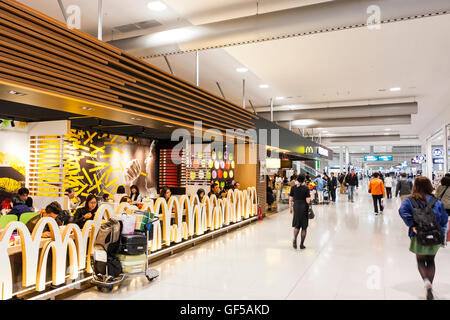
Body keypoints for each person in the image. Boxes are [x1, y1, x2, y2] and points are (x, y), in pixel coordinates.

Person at [398, 176, 448, 300]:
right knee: (431, 261)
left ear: (415, 186)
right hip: (435, 235)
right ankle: (430, 285)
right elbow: (443, 219)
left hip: (418, 234)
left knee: (421, 261)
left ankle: (426, 282)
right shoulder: (436, 201)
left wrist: (412, 224)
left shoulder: (410, 200)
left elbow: (402, 211)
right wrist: (441, 234)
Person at [289, 174, 311, 250]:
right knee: (304, 227)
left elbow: (291, 199)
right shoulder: (306, 188)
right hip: (304, 208)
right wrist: (312, 194)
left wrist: (290, 208)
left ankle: (295, 239)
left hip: (296, 207)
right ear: (304, 180)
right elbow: (308, 201)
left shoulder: (293, 188)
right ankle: (301, 244)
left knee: (297, 225)